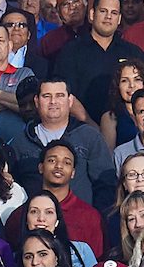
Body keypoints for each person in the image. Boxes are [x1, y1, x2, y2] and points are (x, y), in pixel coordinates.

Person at [48, 0, 144, 126]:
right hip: (81, 129)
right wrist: (92, 126)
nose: (108, 17)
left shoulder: (132, 52)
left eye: (114, 13)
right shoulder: (71, 51)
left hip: (127, 131)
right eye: (103, 11)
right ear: (92, 14)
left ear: (119, 19)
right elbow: (65, 94)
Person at [27, 78, 115, 212]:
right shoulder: (21, 140)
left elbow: (106, 185)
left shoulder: (89, 137)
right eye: (46, 96)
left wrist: (97, 220)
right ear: (36, 101)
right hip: (34, 223)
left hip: (80, 223)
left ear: (70, 101)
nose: (53, 102)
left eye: (60, 95)